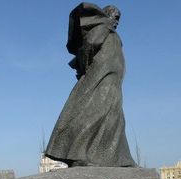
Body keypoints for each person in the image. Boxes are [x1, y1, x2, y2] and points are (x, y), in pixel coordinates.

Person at [45, 2, 136, 167]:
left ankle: (121, 158)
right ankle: (80, 155)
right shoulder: (104, 27)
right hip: (102, 78)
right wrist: (87, 67)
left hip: (113, 81)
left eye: (118, 19)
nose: (116, 21)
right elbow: (90, 44)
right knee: (96, 114)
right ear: (106, 15)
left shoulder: (112, 32)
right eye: (115, 17)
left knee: (115, 118)